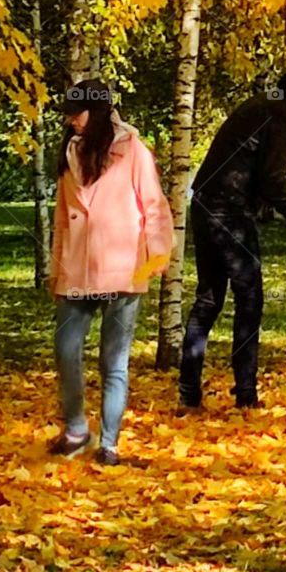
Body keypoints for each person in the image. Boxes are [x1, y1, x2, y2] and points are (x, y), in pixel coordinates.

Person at [177, 75, 286, 411]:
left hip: (205, 202)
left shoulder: (273, 103)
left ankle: (188, 394)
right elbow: (271, 179)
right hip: (227, 208)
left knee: (209, 299)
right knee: (249, 298)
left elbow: (258, 172)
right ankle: (245, 396)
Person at [48, 79, 173, 464]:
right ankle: (76, 430)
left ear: (97, 112)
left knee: (112, 360)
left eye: (77, 112)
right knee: (65, 348)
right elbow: (62, 219)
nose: (71, 121)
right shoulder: (69, 151)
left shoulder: (132, 149)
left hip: (123, 270)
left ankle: (110, 444)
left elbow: (154, 206)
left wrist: (154, 263)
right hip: (77, 270)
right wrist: (56, 269)